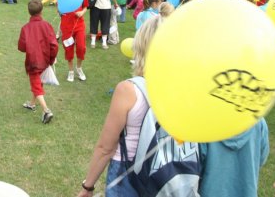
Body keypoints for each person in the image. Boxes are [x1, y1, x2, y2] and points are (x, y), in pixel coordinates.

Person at [78, 17, 199, 196]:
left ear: (140, 46)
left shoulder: (129, 90)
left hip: (127, 173)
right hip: (166, 172)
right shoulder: (185, 89)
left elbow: (106, 148)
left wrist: (88, 186)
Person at [199, 118, 269, 196]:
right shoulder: (259, 122)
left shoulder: (205, 124)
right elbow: (261, 158)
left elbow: (197, 166)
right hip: (247, 192)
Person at [17, 0, 58, 124]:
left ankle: (46, 110)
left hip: (33, 62)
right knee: (38, 83)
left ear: (29, 12)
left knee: (36, 86)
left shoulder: (26, 28)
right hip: (45, 60)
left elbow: (21, 47)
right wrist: (51, 59)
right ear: (42, 11)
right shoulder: (47, 26)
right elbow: (54, 45)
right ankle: (32, 103)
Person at [61, 0, 88, 82]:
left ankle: (79, 68)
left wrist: (82, 12)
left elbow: (85, 6)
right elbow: (60, 7)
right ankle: (71, 71)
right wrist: (61, 11)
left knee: (81, 48)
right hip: (67, 25)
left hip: (79, 25)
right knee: (69, 49)